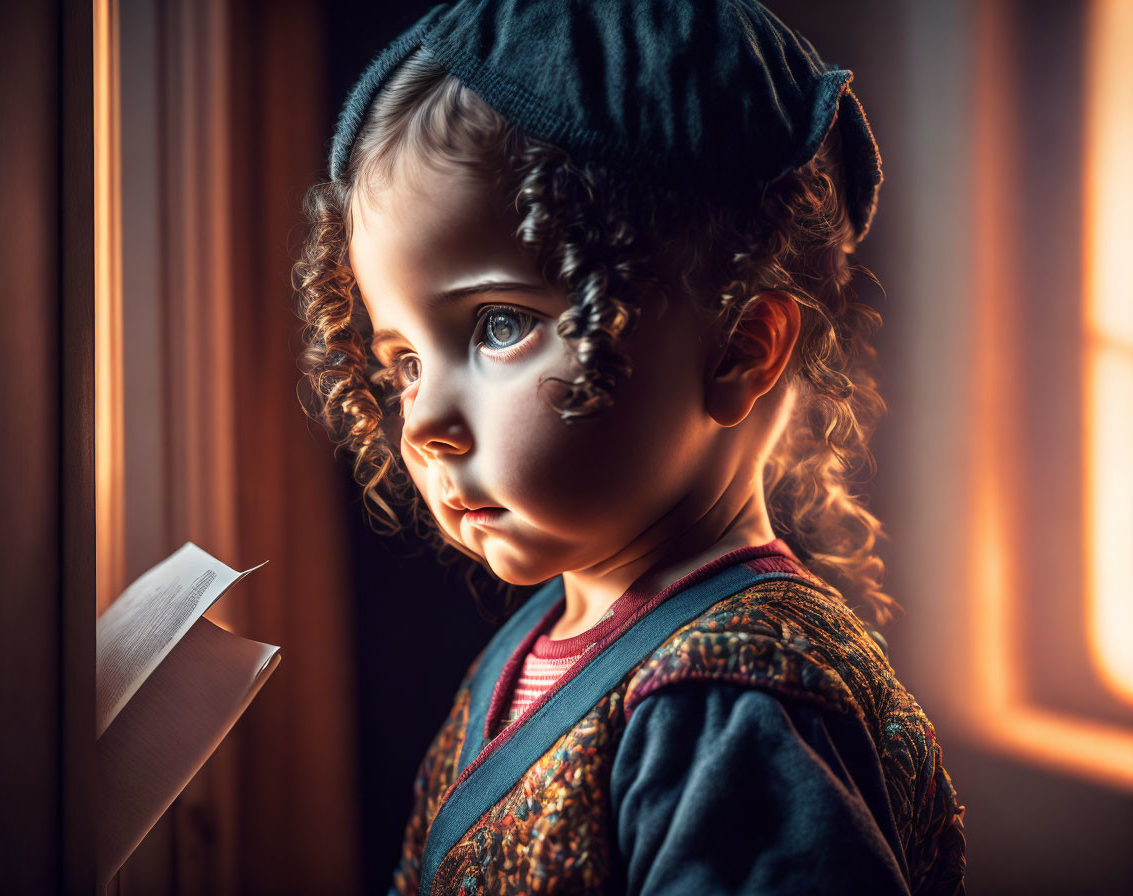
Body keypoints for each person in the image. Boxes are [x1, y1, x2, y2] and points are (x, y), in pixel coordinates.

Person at [294, 1, 966, 893]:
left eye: (497, 326)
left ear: (738, 349)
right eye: (405, 361)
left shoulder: (732, 707)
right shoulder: (540, 642)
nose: (421, 424)